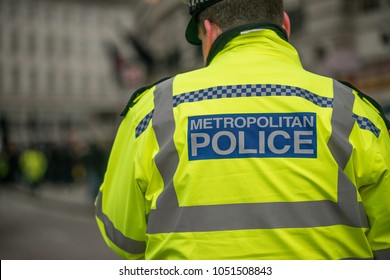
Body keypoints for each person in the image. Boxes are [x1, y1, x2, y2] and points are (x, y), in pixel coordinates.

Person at [95, 0, 390, 260]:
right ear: (284, 24)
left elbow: (122, 236)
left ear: (209, 31)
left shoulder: (152, 113)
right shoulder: (354, 114)